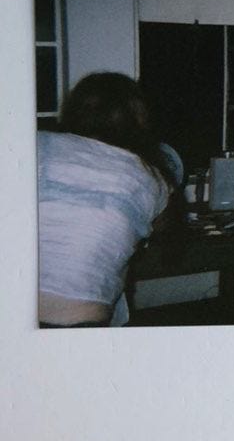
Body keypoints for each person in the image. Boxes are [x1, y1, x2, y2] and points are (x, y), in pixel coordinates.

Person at [37, 72, 172, 328]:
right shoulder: (150, 175)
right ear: (138, 118)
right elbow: (164, 236)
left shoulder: (37, 143)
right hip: (79, 322)